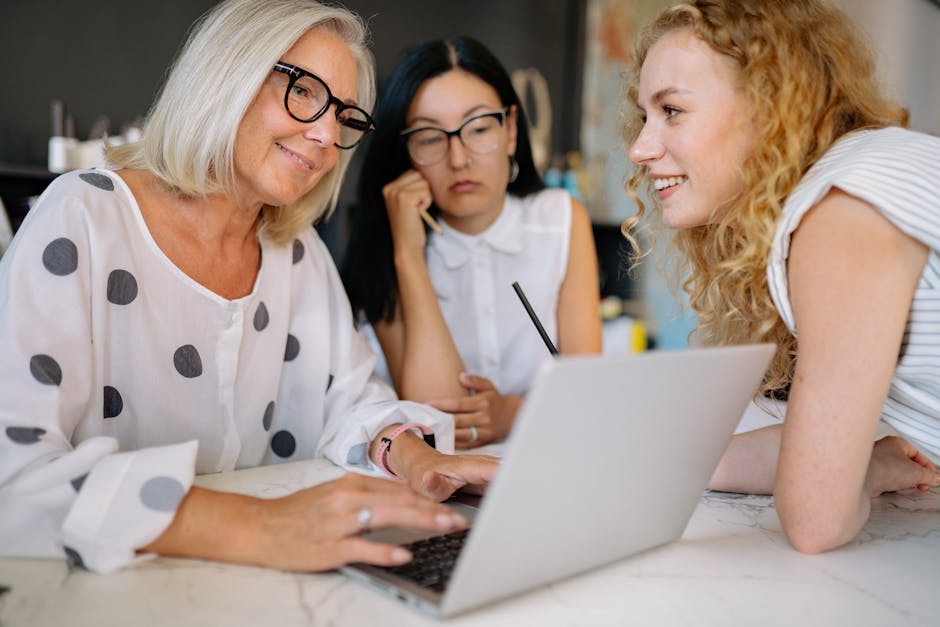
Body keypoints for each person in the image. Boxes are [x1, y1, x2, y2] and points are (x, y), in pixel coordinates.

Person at [0, 0, 498, 575]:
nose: (326, 133)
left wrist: (417, 459)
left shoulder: (297, 253)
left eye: (344, 114)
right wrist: (263, 525)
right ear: (227, 75)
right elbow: (12, 467)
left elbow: (351, 398)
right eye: (305, 91)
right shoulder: (84, 217)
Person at [623, 0, 940, 554]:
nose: (640, 147)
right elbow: (813, 451)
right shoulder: (859, 178)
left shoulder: (843, 210)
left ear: (767, 106)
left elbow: (815, 519)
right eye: (645, 114)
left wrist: (868, 472)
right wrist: (640, 460)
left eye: (671, 110)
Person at [342, 37, 602, 449]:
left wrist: (513, 414)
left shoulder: (561, 220)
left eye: (479, 128)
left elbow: (588, 392)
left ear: (512, 129)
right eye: (429, 137)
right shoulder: (387, 244)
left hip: (552, 461)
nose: (459, 158)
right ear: (404, 151)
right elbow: (437, 417)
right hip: (437, 483)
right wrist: (408, 254)